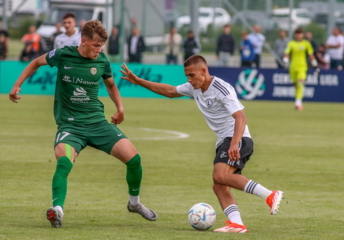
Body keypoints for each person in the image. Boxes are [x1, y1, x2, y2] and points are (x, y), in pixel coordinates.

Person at [8, 20, 157, 228]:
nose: (98, 51)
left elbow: (111, 86)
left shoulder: (102, 61)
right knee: (63, 161)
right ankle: (57, 210)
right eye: (95, 46)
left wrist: (120, 108)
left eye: (101, 47)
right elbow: (35, 63)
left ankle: (135, 204)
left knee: (134, 159)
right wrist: (17, 84)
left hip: (97, 122)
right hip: (70, 126)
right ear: (83, 41)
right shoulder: (63, 55)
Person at [120, 55, 284, 233]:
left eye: (191, 75)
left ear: (203, 72)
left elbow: (241, 117)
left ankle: (269, 195)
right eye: (187, 76)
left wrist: (234, 144)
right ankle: (237, 224)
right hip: (225, 140)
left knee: (219, 176)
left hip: (238, 138)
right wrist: (138, 81)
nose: (189, 80)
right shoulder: (194, 87)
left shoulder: (222, 88)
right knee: (219, 185)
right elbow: (169, 91)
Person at [283, 28, 317, 111]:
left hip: (302, 67)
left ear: (302, 34)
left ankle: (298, 102)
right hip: (293, 67)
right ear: (295, 35)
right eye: (297, 34)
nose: (298, 35)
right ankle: (297, 100)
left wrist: (315, 64)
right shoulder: (291, 43)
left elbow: (310, 54)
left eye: (300, 33)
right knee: (295, 85)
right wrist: (286, 60)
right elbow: (287, 53)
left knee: (300, 83)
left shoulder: (306, 43)